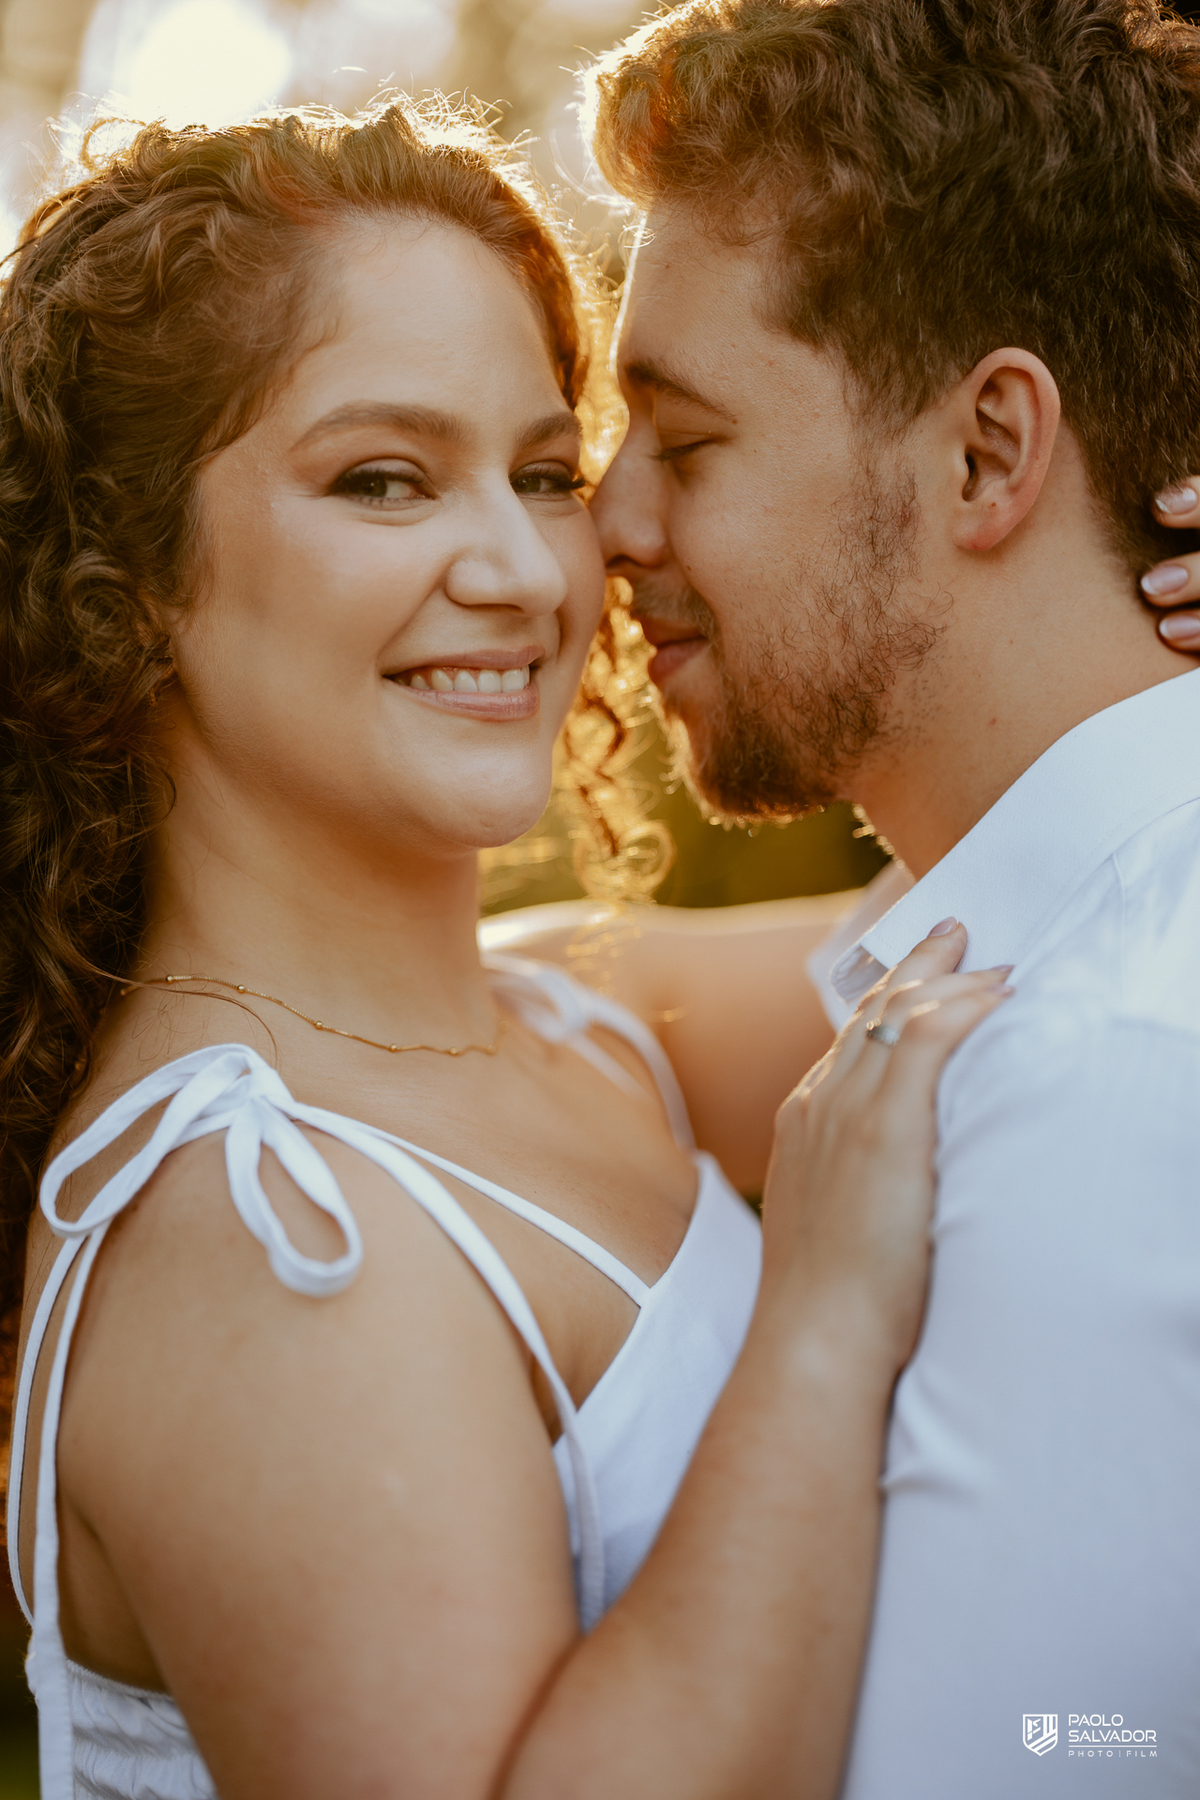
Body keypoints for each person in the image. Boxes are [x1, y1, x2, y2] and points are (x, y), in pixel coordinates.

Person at [0, 99, 1009, 1800]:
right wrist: (824, 1324)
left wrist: (1119, 593)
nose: (526, 570)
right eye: (383, 479)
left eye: (544, 475)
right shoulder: (268, 1230)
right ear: (130, 576)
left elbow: (1029, 921)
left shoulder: (581, 1015)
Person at [554, 0, 1200, 1792]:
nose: (607, 525)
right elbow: (578, 987)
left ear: (987, 453)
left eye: (688, 439)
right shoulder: (1012, 945)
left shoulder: (1104, 1078)